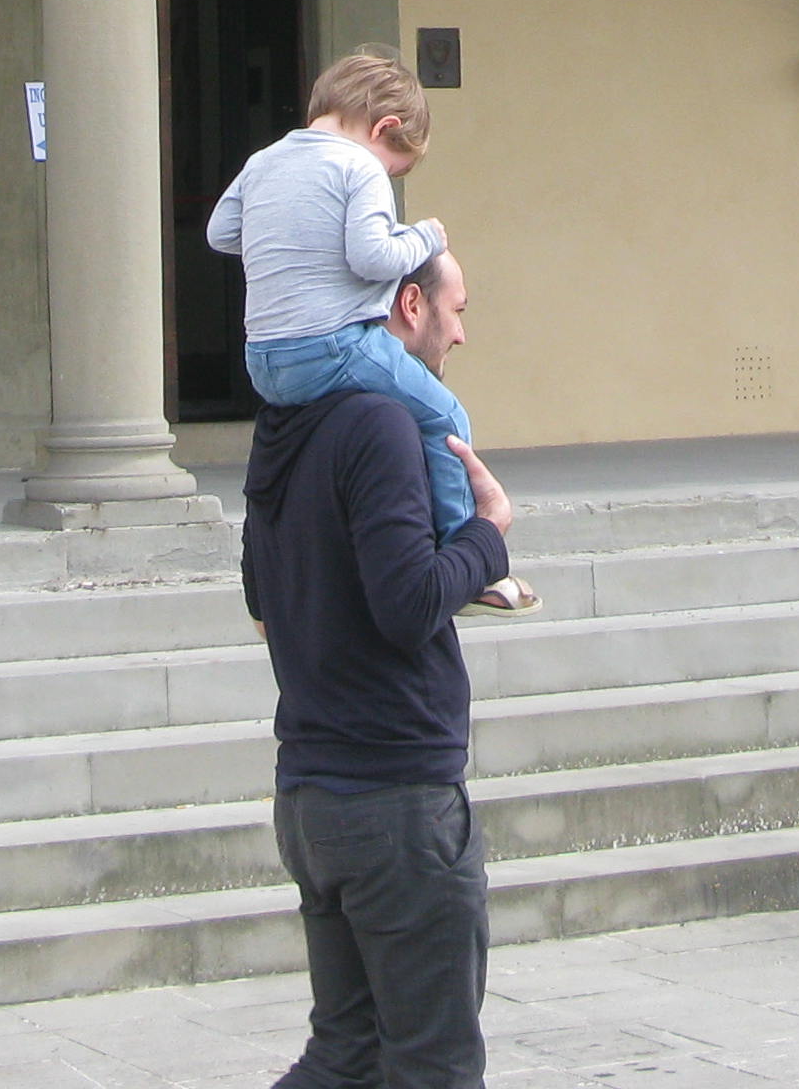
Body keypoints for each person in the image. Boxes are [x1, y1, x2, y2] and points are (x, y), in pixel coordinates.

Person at [241, 251, 508, 1089]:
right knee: (434, 1065)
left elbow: (262, 601)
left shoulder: (283, 426)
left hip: (312, 798)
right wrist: (488, 536)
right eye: (456, 311)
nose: (460, 335)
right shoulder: (384, 425)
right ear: (409, 304)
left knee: (346, 1057)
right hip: (394, 800)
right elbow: (407, 603)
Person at [208, 50, 532, 607]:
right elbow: (374, 258)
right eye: (396, 168)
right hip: (333, 347)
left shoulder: (263, 162)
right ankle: (468, 560)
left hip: (264, 362)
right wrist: (425, 237)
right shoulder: (358, 167)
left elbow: (220, 234)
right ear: (384, 128)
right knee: (446, 417)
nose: (390, 176)